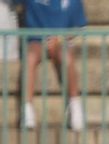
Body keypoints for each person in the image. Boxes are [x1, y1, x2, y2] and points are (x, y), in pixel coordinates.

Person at [17, 0, 87, 130]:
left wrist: (60, 38)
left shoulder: (73, 2)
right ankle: (27, 110)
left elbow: (79, 28)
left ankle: (75, 106)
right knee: (30, 58)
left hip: (61, 42)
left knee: (67, 58)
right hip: (36, 41)